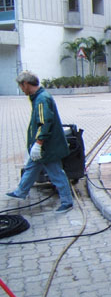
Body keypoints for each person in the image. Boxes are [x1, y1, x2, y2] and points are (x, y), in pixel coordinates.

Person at [6, 71, 74, 213]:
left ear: (26, 84)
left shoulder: (42, 99)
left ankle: (67, 202)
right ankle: (21, 191)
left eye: (21, 86)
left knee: (56, 173)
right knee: (31, 167)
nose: (21, 89)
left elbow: (44, 123)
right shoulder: (38, 97)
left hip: (47, 147)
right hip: (41, 147)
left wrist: (38, 144)